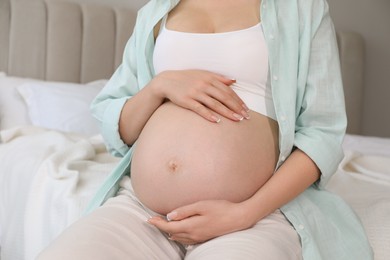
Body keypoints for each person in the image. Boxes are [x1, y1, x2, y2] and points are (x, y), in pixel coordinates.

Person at [38, 0, 373, 259]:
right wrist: (160, 86)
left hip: (252, 214)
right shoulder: (157, 11)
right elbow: (119, 128)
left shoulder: (300, 9)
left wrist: (244, 213)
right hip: (142, 210)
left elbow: (322, 133)